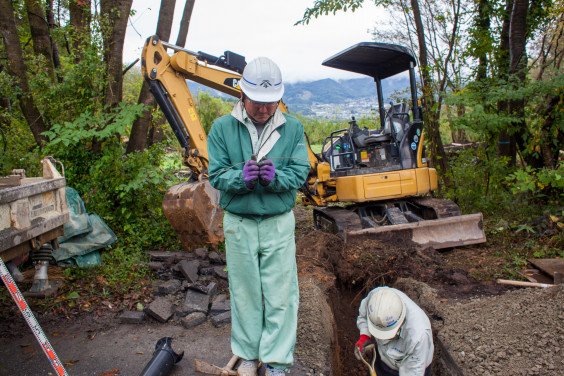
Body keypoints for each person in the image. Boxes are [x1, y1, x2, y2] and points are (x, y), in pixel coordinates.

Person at [206, 57, 310, 376]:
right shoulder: (223, 128)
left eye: (270, 102)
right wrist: (242, 178)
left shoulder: (292, 128)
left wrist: (275, 178)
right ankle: (249, 356)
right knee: (245, 293)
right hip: (240, 222)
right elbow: (216, 175)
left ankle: (277, 361)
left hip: (278, 221)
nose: (264, 109)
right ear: (242, 95)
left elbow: (301, 170)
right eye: (257, 102)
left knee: (281, 295)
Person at [355, 287, 434, 376]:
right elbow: (364, 315)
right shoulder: (376, 298)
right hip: (381, 358)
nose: (382, 337)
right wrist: (364, 336)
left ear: (400, 321)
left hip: (410, 368)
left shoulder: (418, 336)